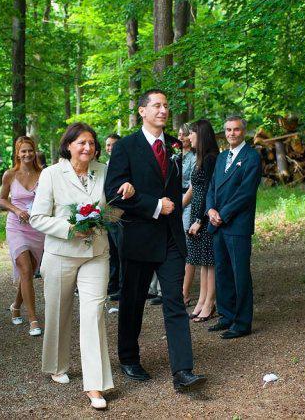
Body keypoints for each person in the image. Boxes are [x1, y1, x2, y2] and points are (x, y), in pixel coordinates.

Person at [105, 89, 206, 392]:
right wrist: (154, 205)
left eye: (166, 106)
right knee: (133, 301)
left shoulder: (174, 145)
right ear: (142, 111)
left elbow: (174, 189)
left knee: (175, 301)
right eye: (157, 105)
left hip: (171, 238)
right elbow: (113, 194)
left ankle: (183, 371)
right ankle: (128, 357)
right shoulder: (125, 147)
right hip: (139, 237)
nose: (163, 110)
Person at [30, 122, 135, 410]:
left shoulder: (105, 171)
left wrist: (123, 198)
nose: (87, 147)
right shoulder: (52, 174)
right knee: (58, 311)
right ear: (69, 146)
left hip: (96, 254)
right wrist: (70, 228)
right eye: (81, 143)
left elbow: (113, 213)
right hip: (61, 253)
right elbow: (37, 217)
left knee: (94, 314)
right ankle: (56, 364)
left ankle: (95, 385)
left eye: (91, 143)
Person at [206, 116, 261, 339]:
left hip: (237, 224)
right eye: (228, 130)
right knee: (222, 272)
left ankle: (242, 322)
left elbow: (246, 193)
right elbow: (212, 186)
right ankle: (226, 315)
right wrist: (210, 210)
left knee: (240, 274)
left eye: (236, 130)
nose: (232, 133)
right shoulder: (221, 157)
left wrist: (223, 214)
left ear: (243, 131)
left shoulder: (251, 157)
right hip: (217, 223)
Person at [0, 136, 45, 336]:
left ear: (35, 152)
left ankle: (16, 305)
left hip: (37, 228)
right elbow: (2, 199)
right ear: (17, 154)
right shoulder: (10, 175)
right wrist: (17, 210)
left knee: (29, 272)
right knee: (25, 269)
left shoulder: (44, 174)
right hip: (16, 227)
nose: (27, 154)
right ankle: (33, 320)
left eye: (30, 150)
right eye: (23, 151)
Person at [182, 119, 218, 322]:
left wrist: (200, 220)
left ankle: (210, 303)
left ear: (201, 135)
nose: (189, 137)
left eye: (192, 133)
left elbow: (209, 191)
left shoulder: (211, 159)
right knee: (202, 261)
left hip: (204, 215)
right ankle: (201, 301)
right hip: (196, 212)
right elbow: (194, 188)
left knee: (210, 262)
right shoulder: (200, 158)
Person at [179, 123, 197, 307]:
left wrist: (181, 205)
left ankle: (185, 293)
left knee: (187, 243)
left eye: (185, 134)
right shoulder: (175, 156)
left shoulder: (195, 157)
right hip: (173, 200)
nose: (181, 137)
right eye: (179, 134)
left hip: (188, 201)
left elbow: (193, 185)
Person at [104, 134, 124, 300]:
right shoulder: (105, 165)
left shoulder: (124, 164)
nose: (110, 148)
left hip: (120, 213)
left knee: (122, 251)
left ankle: (123, 287)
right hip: (107, 212)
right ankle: (113, 285)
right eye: (108, 145)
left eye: (113, 145)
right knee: (111, 251)